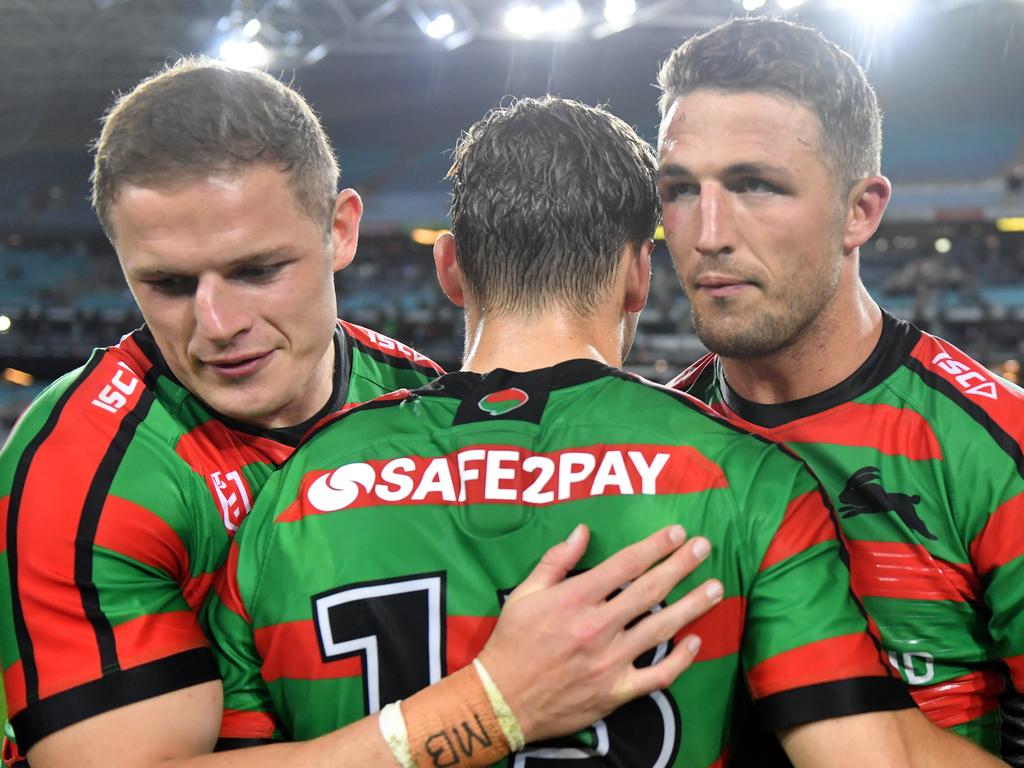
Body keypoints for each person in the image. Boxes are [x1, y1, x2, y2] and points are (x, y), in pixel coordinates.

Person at [203, 95, 1005, 767]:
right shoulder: (743, 476)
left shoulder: (294, 492)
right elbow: (869, 757)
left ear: (450, 269)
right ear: (636, 274)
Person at [0, 59, 719, 768]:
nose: (216, 322)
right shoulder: (79, 467)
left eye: (257, 270)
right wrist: (495, 704)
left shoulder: (417, 392)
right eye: (166, 283)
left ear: (341, 230)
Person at [656, 16, 1024, 764]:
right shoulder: (655, 441)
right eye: (680, 188)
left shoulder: (995, 449)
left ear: (862, 211)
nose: (709, 232)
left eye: (756, 185)